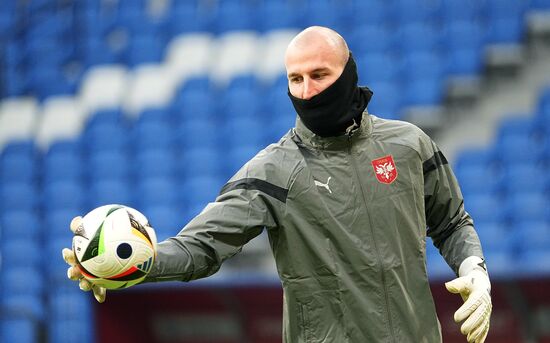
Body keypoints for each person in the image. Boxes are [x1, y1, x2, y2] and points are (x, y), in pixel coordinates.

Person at [63, 26, 492, 342]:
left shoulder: (408, 144)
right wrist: (136, 263)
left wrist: (474, 270)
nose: (306, 91)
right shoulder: (272, 170)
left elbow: (452, 221)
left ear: (348, 73)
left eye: (319, 75)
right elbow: (200, 248)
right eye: (295, 79)